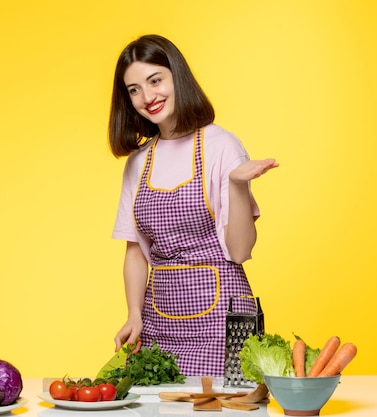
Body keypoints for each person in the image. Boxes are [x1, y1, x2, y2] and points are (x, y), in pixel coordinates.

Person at [109, 34, 278, 377]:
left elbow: (241, 250)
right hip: (158, 323)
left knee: (226, 409)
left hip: (222, 322)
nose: (148, 97)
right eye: (134, 89)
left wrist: (237, 184)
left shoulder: (220, 144)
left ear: (177, 77)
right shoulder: (138, 162)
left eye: (155, 80)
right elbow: (135, 251)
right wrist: (134, 314)